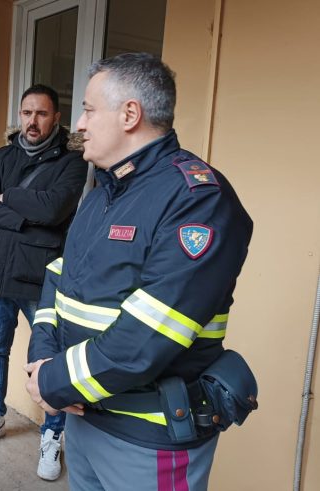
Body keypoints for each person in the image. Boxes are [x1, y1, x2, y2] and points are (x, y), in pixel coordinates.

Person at [26, 52, 252, 490]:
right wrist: (42, 358)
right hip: (83, 417)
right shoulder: (103, 192)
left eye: (89, 110)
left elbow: (149, 335)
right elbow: (58, 278)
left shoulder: (197, 199)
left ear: (130, 114)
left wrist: (54, 380)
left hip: (148, 436)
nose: (80, 124)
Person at [0, 84, 87, 480]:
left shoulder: (73, 161)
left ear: (56, 118)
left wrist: (9, 199)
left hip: (41, 276)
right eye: (27, 113)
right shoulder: (4, 155)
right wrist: (27, 220)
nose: (32, 121)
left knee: (48, 358)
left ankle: (52, 435)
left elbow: (55, 209)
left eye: (41, 113)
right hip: (0, 270)